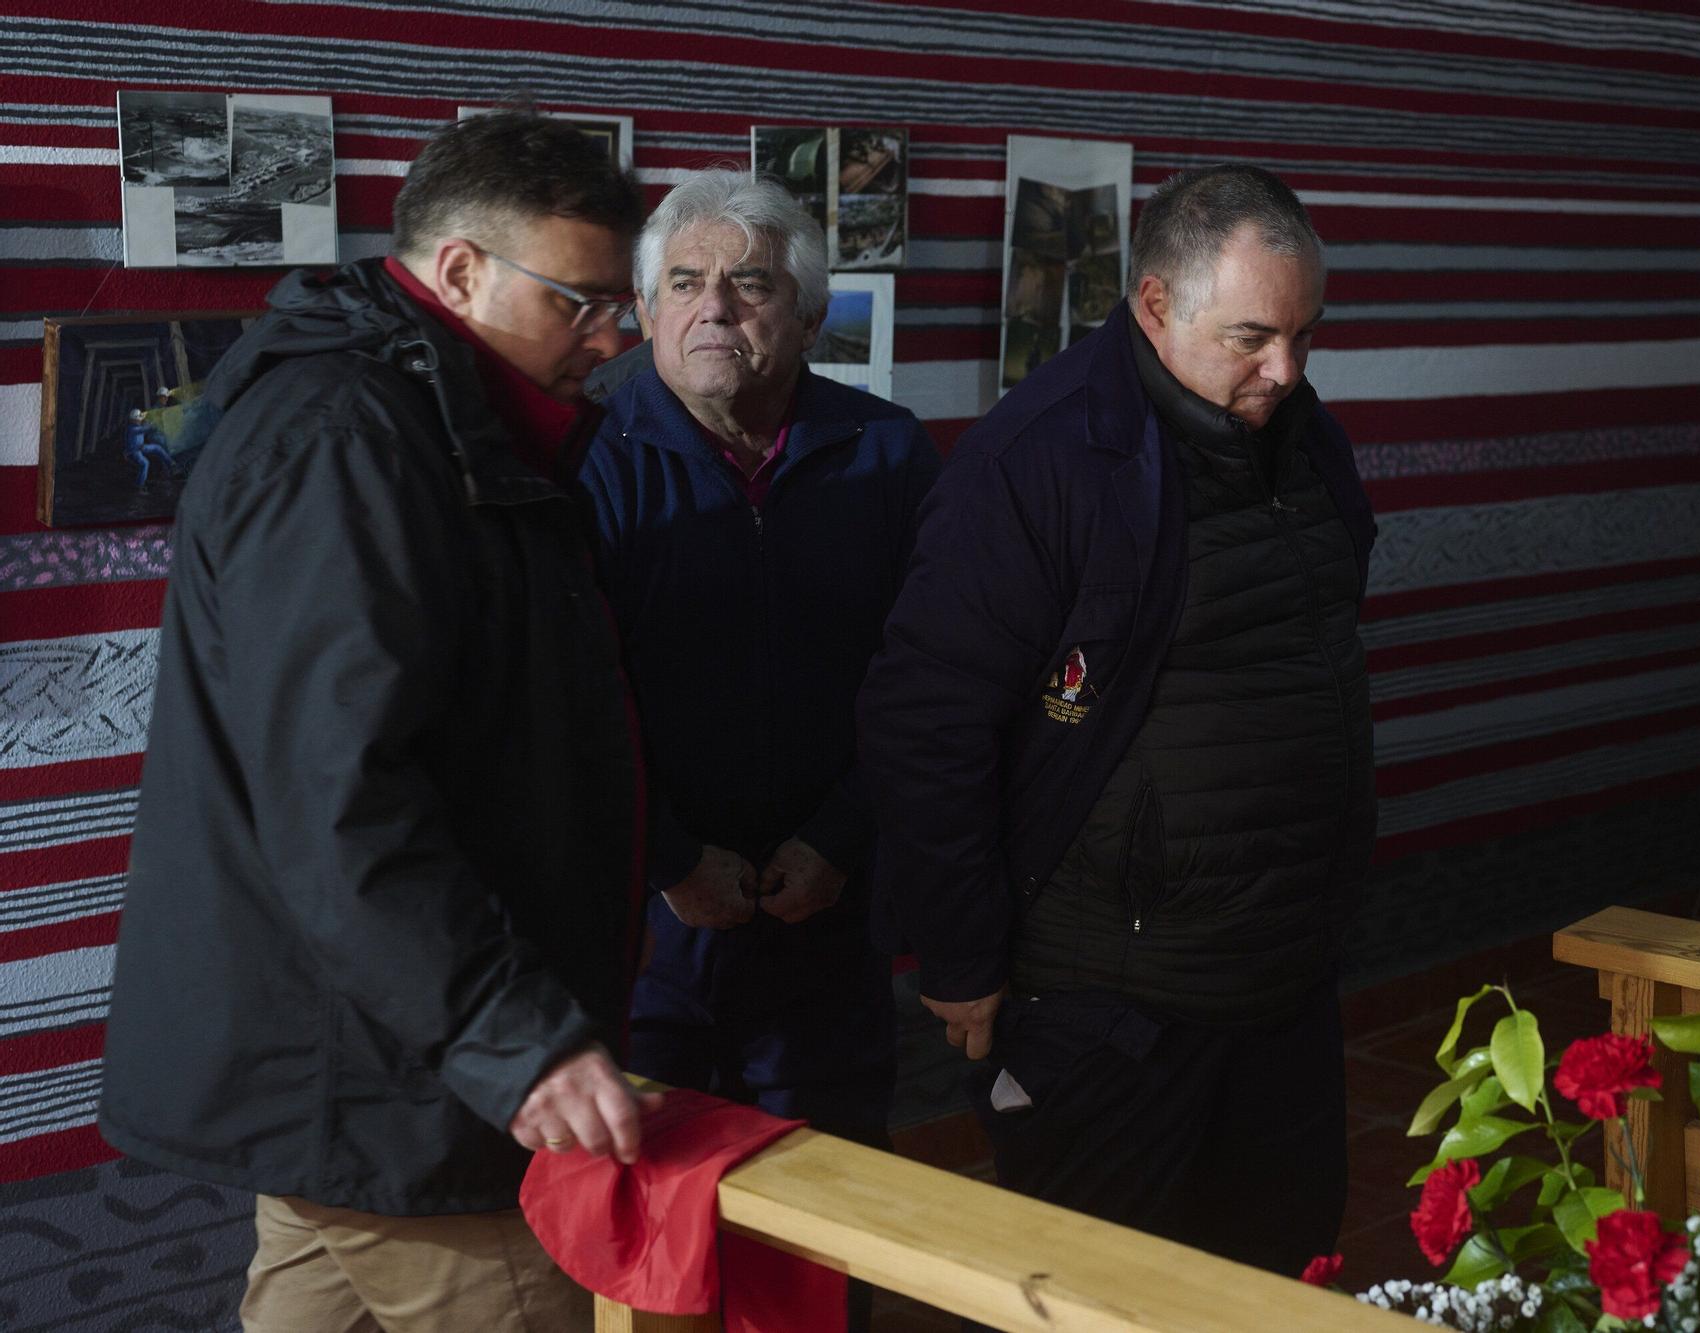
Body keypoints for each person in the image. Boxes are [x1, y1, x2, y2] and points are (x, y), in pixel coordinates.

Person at [98, 108, 652, 1332]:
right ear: (460, 270)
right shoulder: (351, 438)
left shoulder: (418, 410)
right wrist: (516, 1040)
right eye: (583, 301)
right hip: (402, 1076)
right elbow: (339, 796)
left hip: (356, 1058)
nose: (617, 337)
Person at [858, 164, 1377, 1276]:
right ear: (1152, 306)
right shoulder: (1038, 459)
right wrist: (956, 952)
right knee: (1108, 1291)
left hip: (1280, 971)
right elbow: (924, 718)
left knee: (1277, 1275)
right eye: (1250, 337)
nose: (1284, 371)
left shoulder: (1304, 436)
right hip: (1109, 998)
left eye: (1304, 334)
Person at [577, 170, 938, 1154]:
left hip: (829, 907)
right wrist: (673, 862)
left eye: (751, 285)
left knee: (829, 1207)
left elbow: (930, 679)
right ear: (646, 310)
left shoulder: (889, 455)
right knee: (650, 1220)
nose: (714, 309)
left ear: (812, 314)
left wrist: (839, 836)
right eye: (685, 283)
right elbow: (567, 703)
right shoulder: (583, 460)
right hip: (646, 923)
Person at [123, 407, 174, 487]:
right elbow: (143, 429)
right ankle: (139, 485)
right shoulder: (131, 429)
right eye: (138, 419)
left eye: (140, 419)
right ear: (133, 420)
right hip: (133, 452)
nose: (140, 420)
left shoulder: (139, 426)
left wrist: (150, 423)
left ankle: (172, 465)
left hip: (141, 448)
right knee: (145, 463)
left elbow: (145, 427)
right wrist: (151, 426)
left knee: (157, 448)